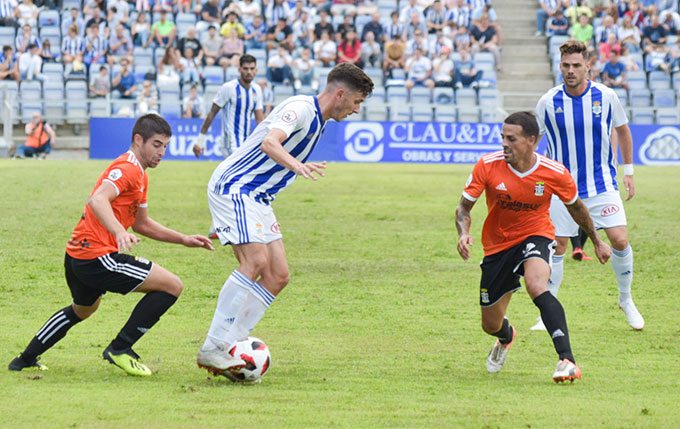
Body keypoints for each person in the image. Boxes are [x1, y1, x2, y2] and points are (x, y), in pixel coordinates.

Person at [194, 63, 373, 378]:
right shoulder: (301, 108)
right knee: (255, 262)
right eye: (357, 102)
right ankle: (212, 346)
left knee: (278, 275)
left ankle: (232, 345)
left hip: (259, 198)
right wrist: (297, 165)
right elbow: (270, 142)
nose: (357, 110)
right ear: (341, 94)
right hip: (236, 186)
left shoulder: (320, 120)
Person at [8, 115, 215, 375]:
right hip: (96, 256)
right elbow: (98, 199)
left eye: (165, 146)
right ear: (138, 140)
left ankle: (24, 360)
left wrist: (183, 239)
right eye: (157, 144)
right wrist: (118, 231)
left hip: (77, 255)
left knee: (82, 310)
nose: (162, 152)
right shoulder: (128, 168)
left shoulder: (141, 174)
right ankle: (120, 348)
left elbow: (142, 224)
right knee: (172, 285)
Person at [456, 111, 610, 383]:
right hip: (497, 245)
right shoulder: (488, 165)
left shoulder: (554, 172)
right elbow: (463, 208)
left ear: (531, 141)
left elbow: (577, 209)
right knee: (490, 324)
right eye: (502, 137)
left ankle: (567, 360)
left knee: (537, 285)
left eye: (511, 139)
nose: (504, 143)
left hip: (535, 234)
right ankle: (507, 336)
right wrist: (464, 233)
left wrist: (596, 241)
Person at [534, 40, 644, 332]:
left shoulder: (606, 97)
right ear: (560, 66)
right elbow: (531, 139)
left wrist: (629, 171)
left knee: (619, 240)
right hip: (560, 187)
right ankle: (548, 309)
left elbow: (622, 130)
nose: (571, 71)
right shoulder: (548, 101)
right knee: (557, 246)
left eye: (576, 65)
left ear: (588, 67)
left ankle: (626, 299)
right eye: (566, 66)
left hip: (601, 184)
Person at [193, 55, 264, 160]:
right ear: (239, 69)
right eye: (245, 69)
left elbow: (259, 120)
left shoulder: (256, 90)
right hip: (230, 143)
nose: (249, 72)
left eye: (252, 69)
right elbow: (212, 113)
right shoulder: (228, 88)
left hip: (246, 142)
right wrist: (200, 140)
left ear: (256, 70)